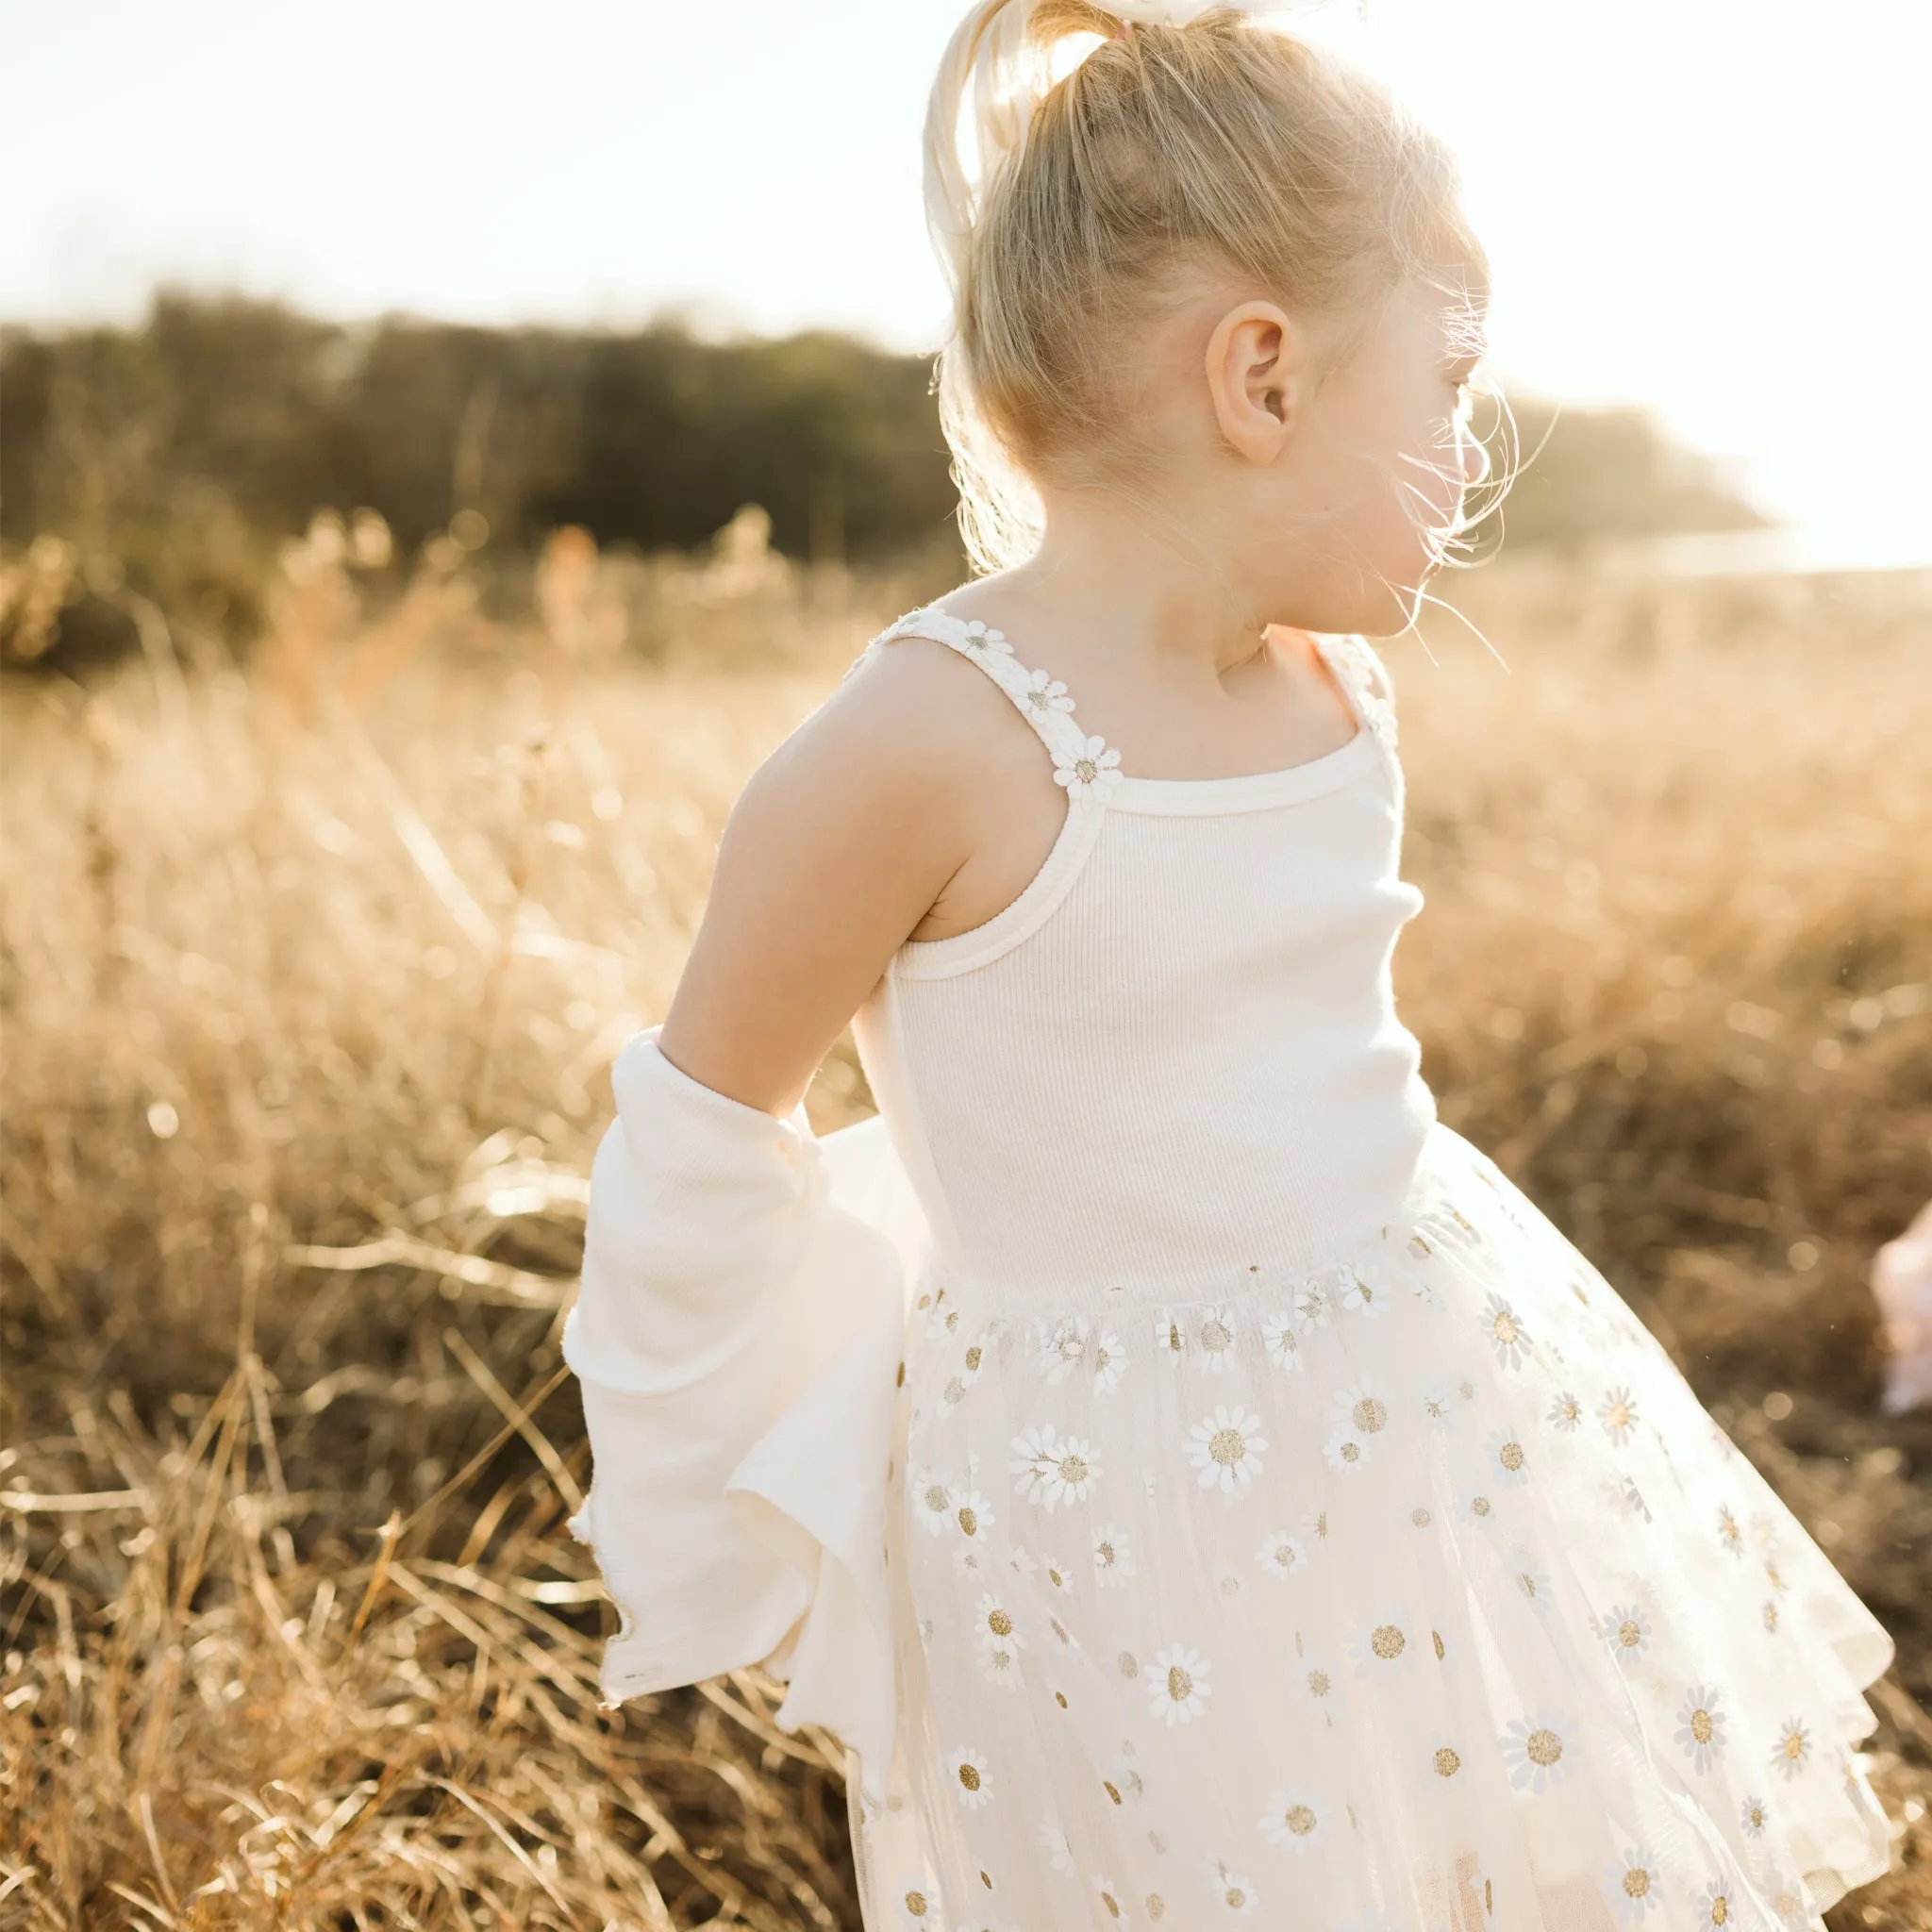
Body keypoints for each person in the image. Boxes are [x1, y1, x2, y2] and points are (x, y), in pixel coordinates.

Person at [563, 6, 1895, 1927]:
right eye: (1441, 383)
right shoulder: (927, 745)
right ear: (1259, 377)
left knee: (1462, 1824)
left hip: (1422, 1392)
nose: (1463, 452)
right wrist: (721, 1526)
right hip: (1105, 1507)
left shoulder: (1332, 690)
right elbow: (703, 1141)